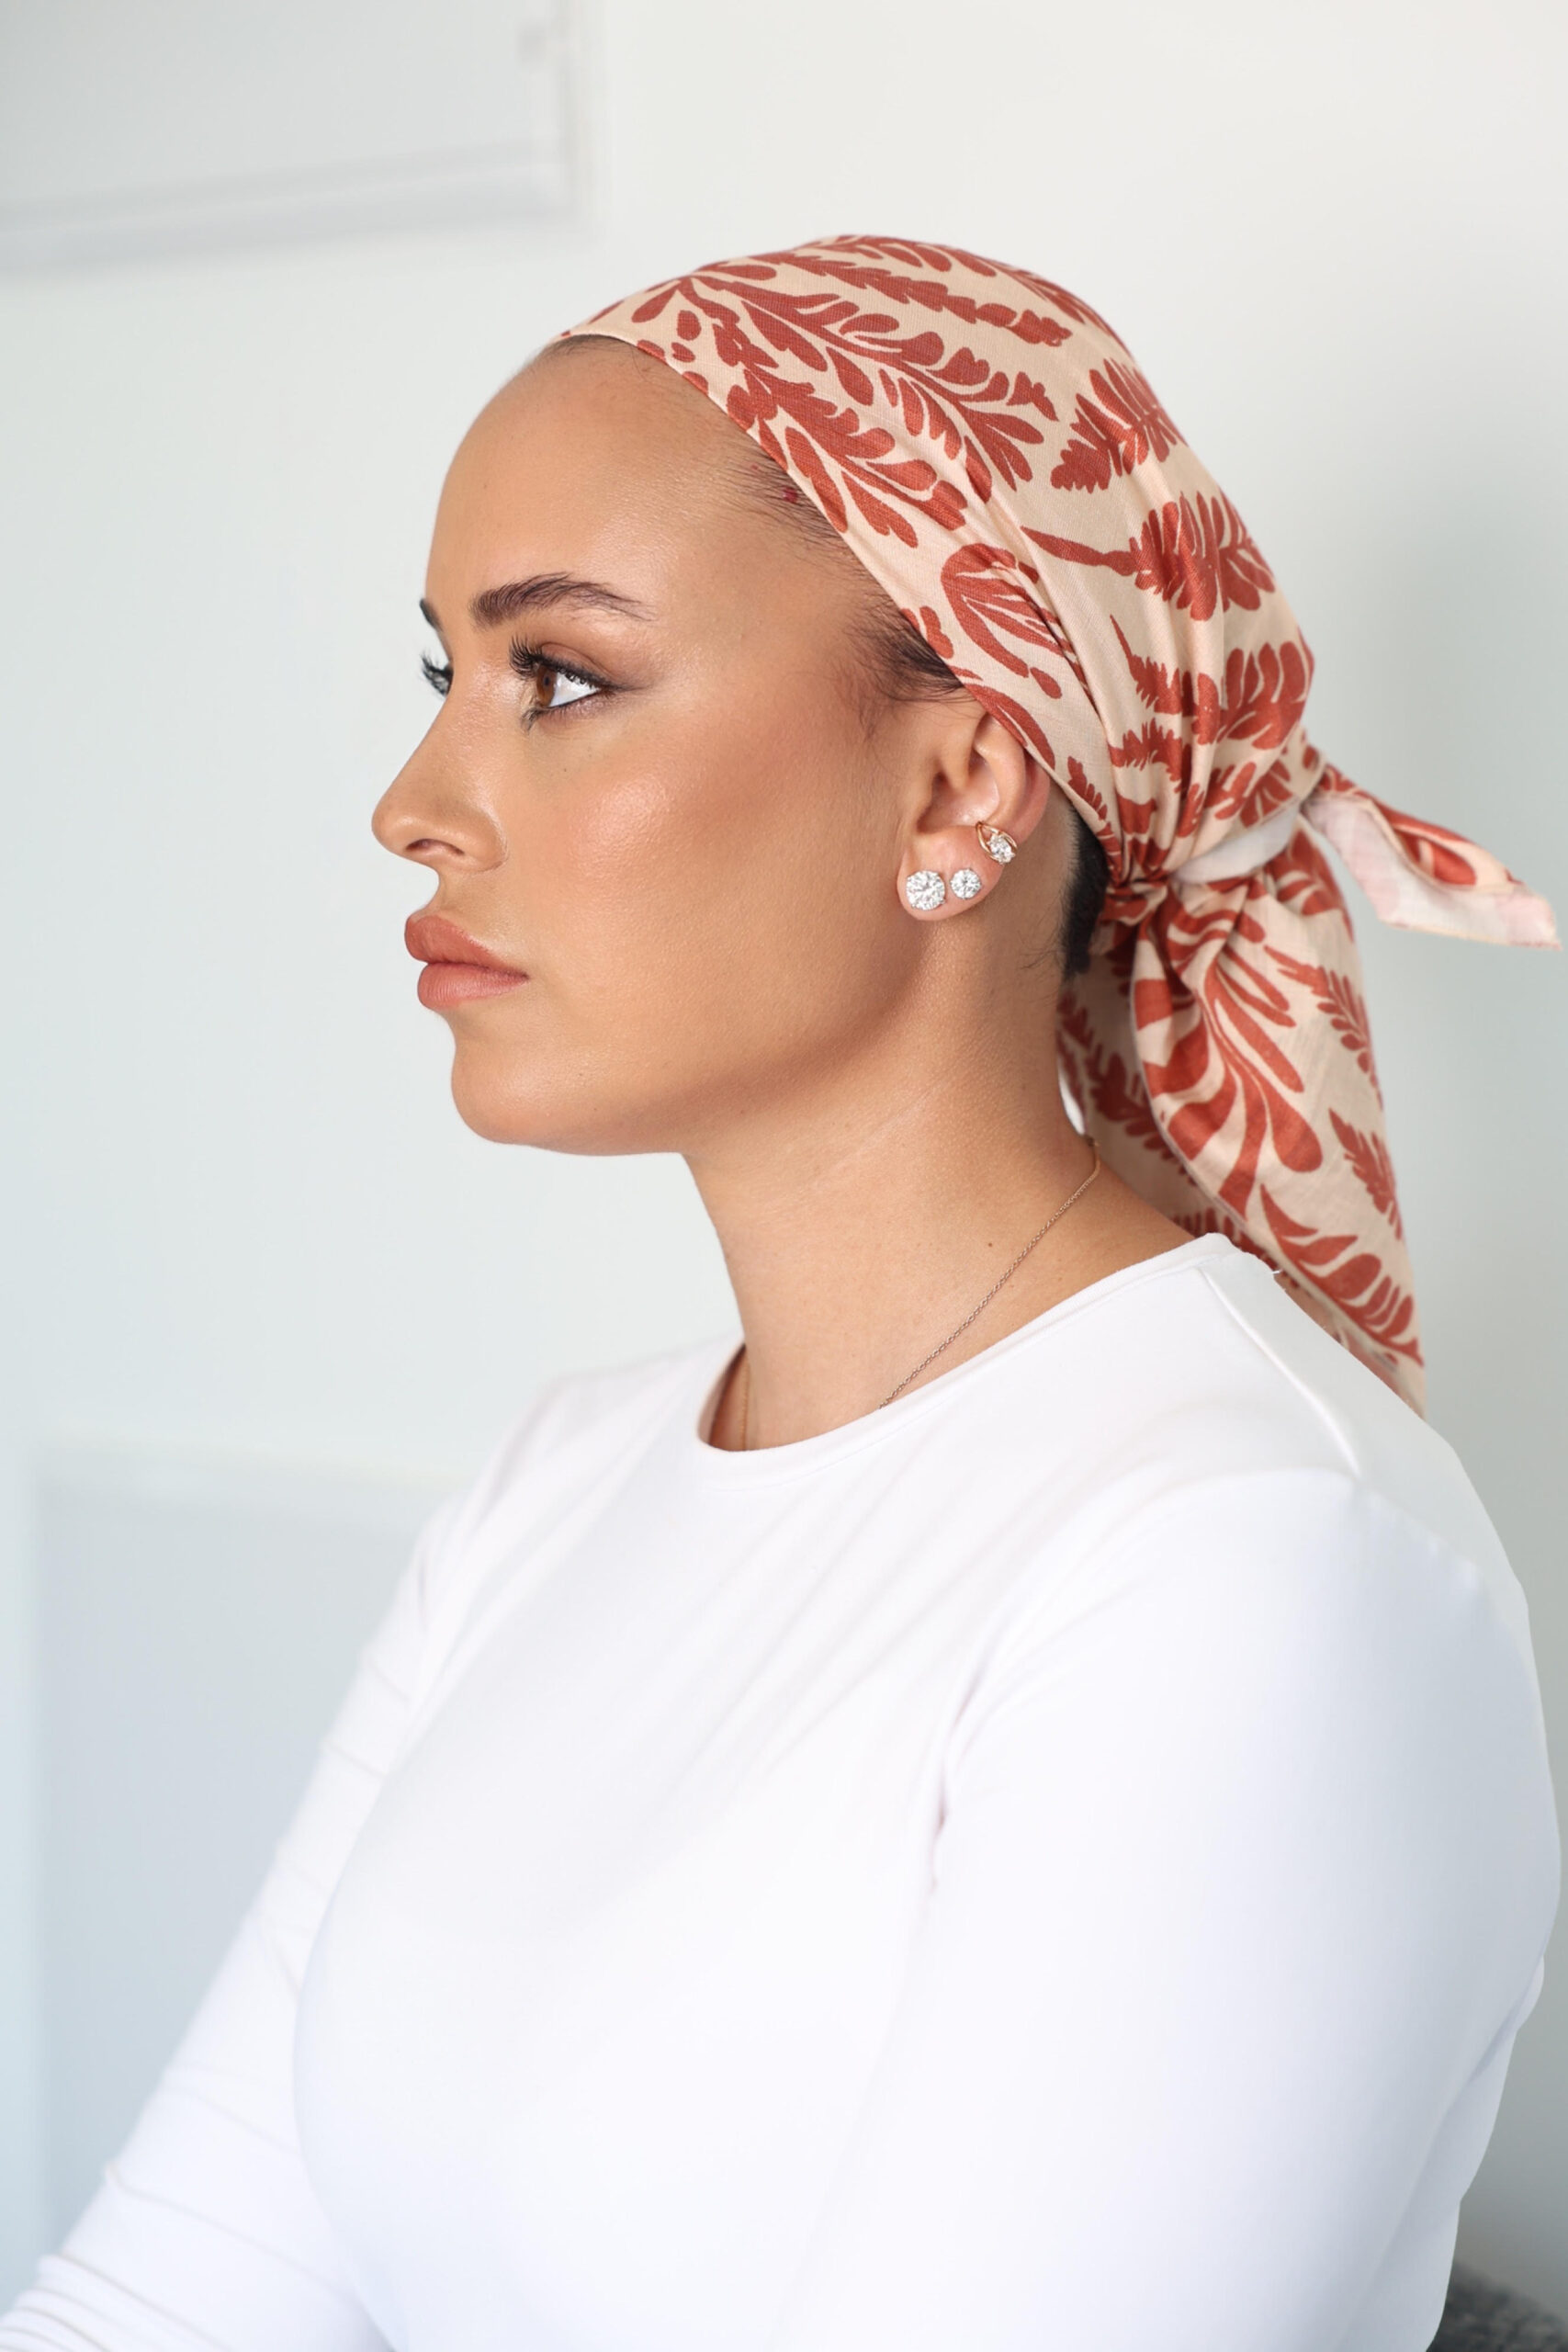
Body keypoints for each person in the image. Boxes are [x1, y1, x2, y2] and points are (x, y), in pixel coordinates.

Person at [4, 237, 1560, 2352]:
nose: (412, 806)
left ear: (957, 782)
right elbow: (174, 2296)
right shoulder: (553, 1487)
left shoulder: (1246, 1556)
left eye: (559, 676)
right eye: (441, 673)